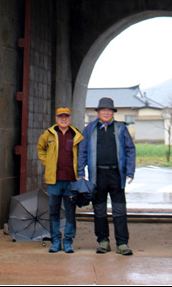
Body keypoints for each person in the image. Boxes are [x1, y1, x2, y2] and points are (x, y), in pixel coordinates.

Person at [78, 97, 135, 256]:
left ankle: (122, 243)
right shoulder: (89, 129)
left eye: (109, 110)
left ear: (113, 113)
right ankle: (103, 241)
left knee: (119, 210)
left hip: (116, 175)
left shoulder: (121, 128)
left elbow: (130, 150)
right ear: (98, 112)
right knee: (99, 210)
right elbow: (82, 151)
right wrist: (81, 173)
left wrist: (130, 171)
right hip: (97, 175)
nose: (106, 113)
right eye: (103, 110)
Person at [37, 107, 83, 254]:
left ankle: (68, 241)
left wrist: (80, 172)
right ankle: (56, 241)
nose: (64, 119)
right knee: (54, 211)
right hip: (54, 180)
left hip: (71, 180)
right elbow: (40, 148)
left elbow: (82, 153)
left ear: (70, 118)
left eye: (66, 117)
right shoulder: (49, 134)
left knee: (70, 212)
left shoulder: (76, 134)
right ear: (56, 119)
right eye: (61, 117)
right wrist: (47, 162)